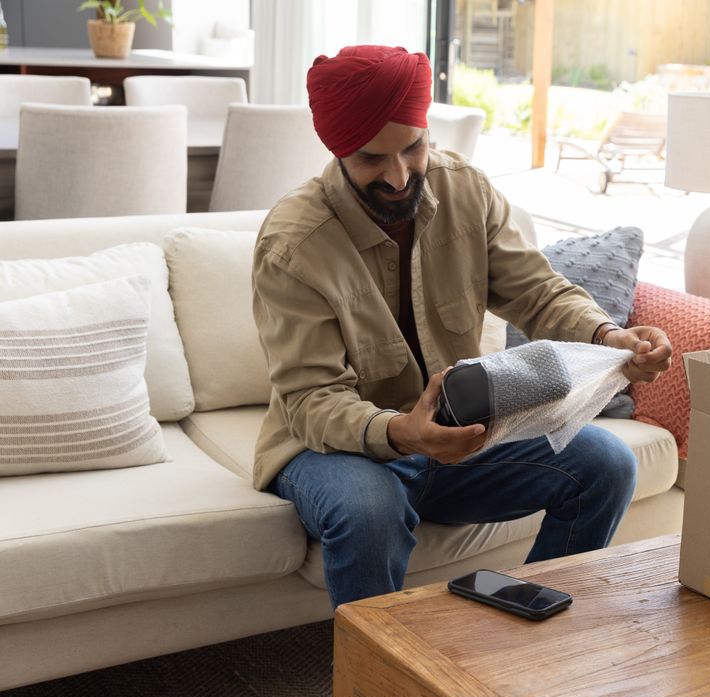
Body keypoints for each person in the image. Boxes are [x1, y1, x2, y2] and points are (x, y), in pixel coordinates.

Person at [251, 45, 673, 608]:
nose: (399, 176)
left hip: (458, 439)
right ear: (338, 150)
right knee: (370, 509)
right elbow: (309, 399)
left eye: (413, 147)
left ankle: (529, 648)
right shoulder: (293, 244)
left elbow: (536, 290)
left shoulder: (464, 190)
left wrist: (607, 335)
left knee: (605, 464)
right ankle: (375, 687)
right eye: (373, 160)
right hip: (334, 449)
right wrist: (406, 433)